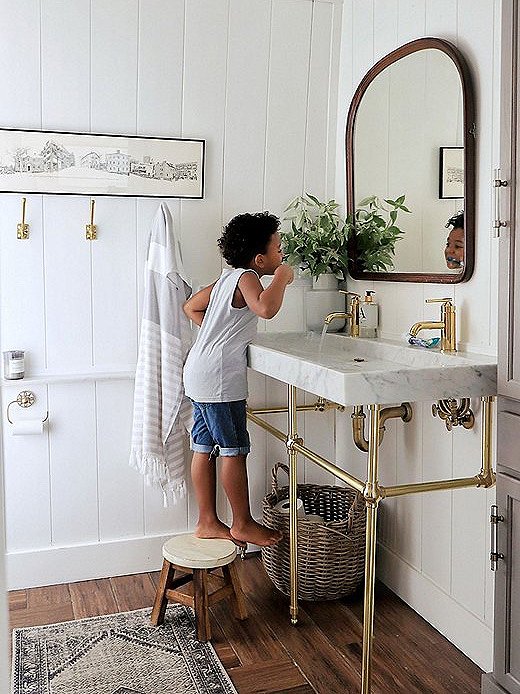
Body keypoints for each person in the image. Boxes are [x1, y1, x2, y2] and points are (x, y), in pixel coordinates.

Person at [183, 212, 294, 548]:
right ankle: (242, 523)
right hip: (218, 379)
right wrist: (282, 278)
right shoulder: (247, 276)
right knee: (233, 450)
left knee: (203, 447)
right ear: (260, 259)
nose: (282, 254)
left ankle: (206, 521)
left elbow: (191, 307)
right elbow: (265, 309)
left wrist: (219, 335)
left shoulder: (225, 279)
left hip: (198, 373)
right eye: (278, 249)